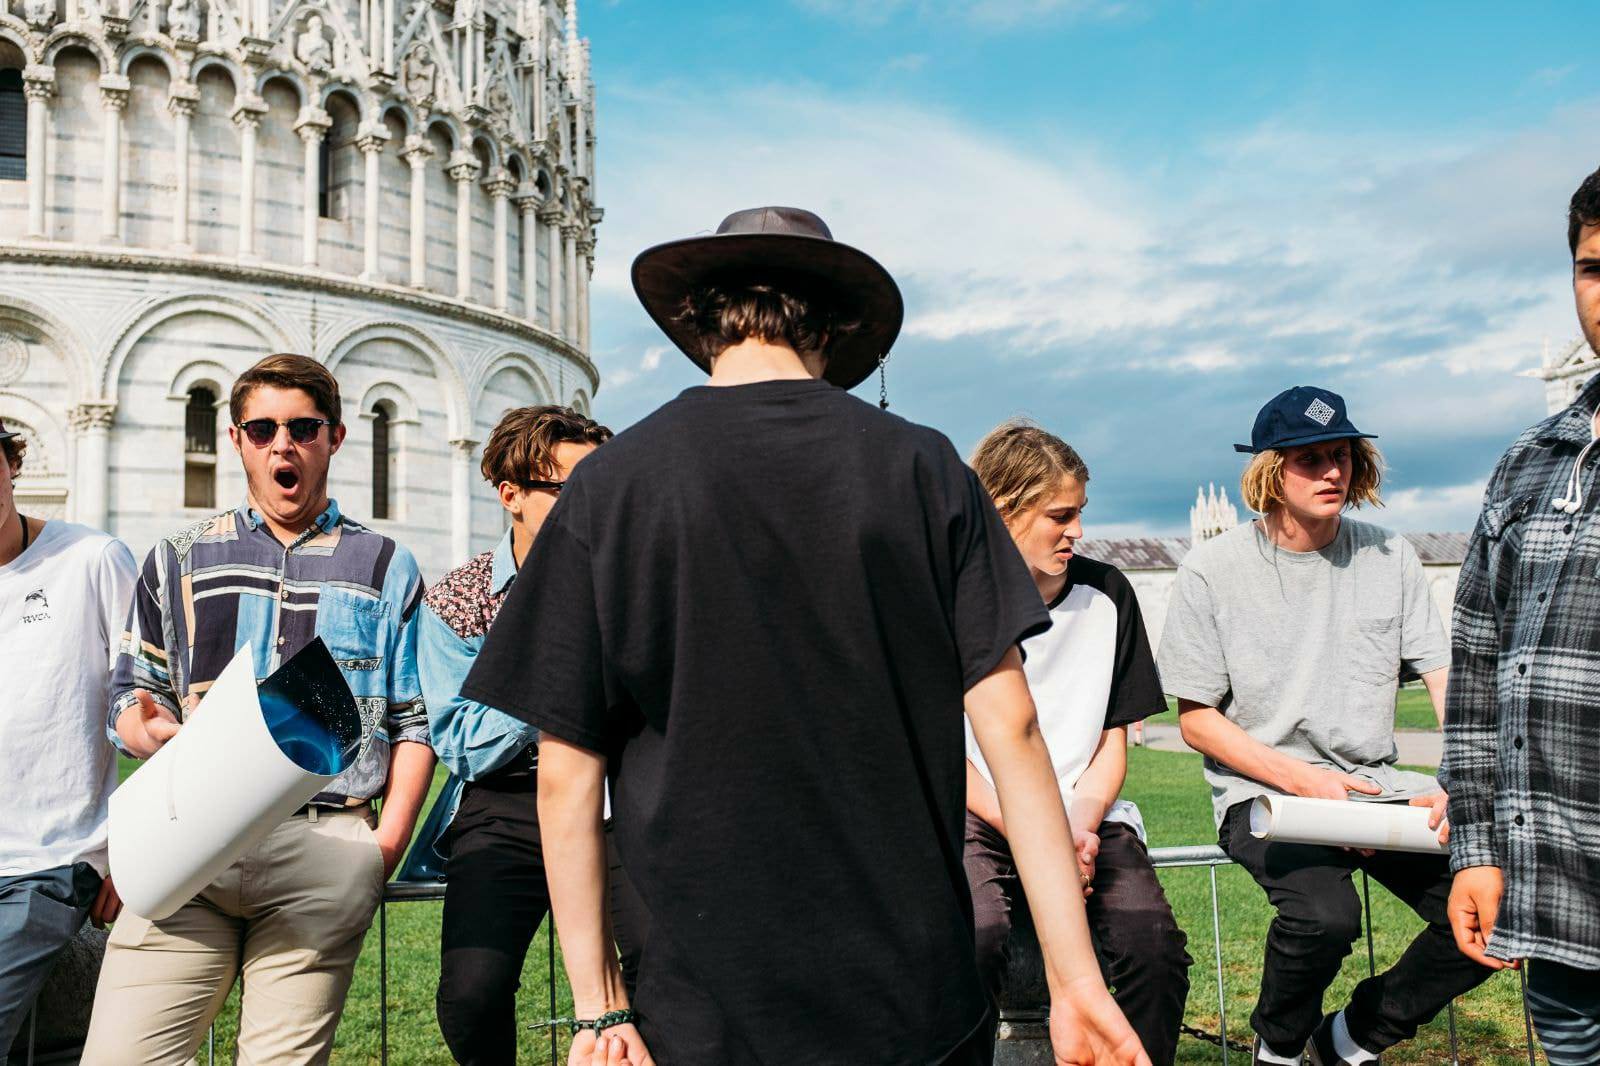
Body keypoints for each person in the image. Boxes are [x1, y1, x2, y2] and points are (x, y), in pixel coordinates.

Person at [462, 206, 1149, 1066]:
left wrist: (600, 1010)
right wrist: (1077, 980)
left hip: (701, 1002)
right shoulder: (924, 467)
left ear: (703, 325)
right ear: (831, 327)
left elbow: (566, 774)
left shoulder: (610, 486)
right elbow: (1011, 730)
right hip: (911, 996)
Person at [81, 354, 435, 1065]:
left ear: (334, 438)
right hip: (191, 841)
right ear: (237, 439)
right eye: (263, 429)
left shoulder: (384, 564)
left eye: (303, 428)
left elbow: (413, 719)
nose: (283, 445)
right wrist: (140, 727)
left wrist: (384, 846)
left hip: (324, 845)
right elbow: (131, 690)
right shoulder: (177, 557)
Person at [1157, 386, 1494, 1066]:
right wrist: (1303, 781)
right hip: (1266, 795)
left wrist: (1463, 779)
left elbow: (1445, 678)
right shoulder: (1210, 570)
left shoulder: (1391, 555)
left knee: (1497, 915)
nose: (1332, 472)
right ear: (1269, 472)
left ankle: (1349, 1039)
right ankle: (1279, 1050)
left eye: (1341, 455)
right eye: (1309, 459)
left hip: (1378, 789)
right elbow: (1197, 722)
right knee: (1324, 917)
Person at [964, 419, 1190, 1066]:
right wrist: (1033, 832)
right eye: (1060, 515)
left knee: (1154, 948)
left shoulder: (1109, 593)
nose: (1078, 531)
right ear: (1003, 509)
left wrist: (1077, 826)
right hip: (978, 806)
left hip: (1085, 812)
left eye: (1081, 512)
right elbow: (947, 749)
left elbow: (1112, 740)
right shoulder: (951, 596)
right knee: (974, 935)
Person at [419, 404, 638, 1065]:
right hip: (507, 801)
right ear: (510, 494)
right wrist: (558, 688)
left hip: (622, 797)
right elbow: (460, 739)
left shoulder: (634, 580)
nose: (592, 505)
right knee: (471, 993)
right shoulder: (458, 599)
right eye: (570, 490)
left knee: (662, 970)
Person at [1440, 166, 1600, 1066]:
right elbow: (1477, 670)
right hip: (1559, 912)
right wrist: (1476, 847)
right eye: (1594, 268)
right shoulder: (1530, 462)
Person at [0, 419, 135, 1052]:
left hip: (47, 866)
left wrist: (139, 853)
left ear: (12, 464)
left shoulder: (93, 560)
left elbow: (155, 704)